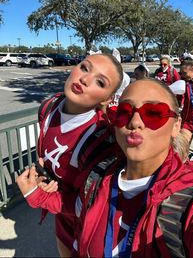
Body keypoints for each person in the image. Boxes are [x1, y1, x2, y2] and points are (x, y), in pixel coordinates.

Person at [76, 79, 193, 257]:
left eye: (153, 112)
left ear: (176, 126)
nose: (135, 122)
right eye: (124, 112)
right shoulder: (97, 178)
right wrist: (39, 192)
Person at [16, 53, 124, 257]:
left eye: (100, 82)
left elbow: (91, 203)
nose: (84, 79)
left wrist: (38, 196)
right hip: (61, 215)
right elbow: (47, 151)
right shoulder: (49, 107)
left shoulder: (100, 138)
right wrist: (43, 176)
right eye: (84, 68)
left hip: (87, 223)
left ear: (107, 98)